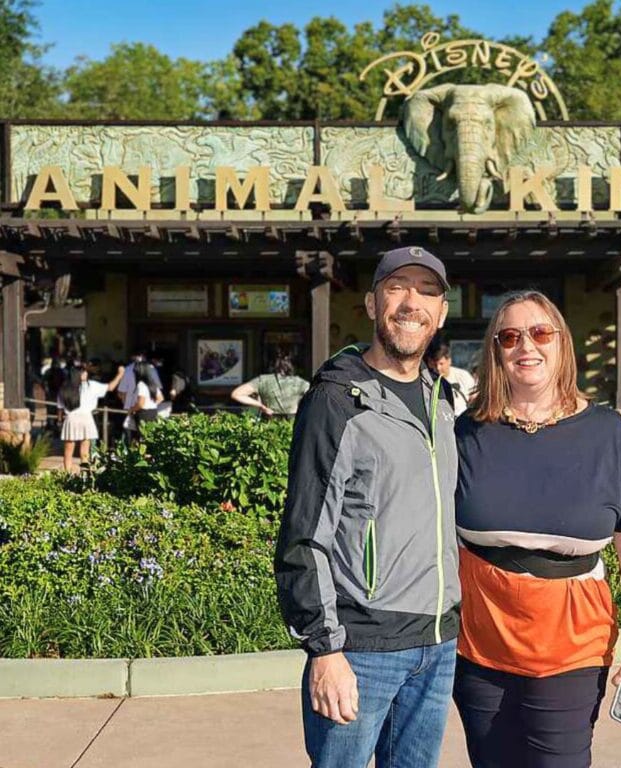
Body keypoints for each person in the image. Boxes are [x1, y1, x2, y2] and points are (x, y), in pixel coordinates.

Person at [453, 291, 621, 768]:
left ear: (562, 343)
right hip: (480, 644)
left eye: (541, 333)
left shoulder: (607, 433)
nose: (527, 346)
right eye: (510, 336)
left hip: (571, 644)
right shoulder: (467, 433)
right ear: (496, 352)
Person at [274, 246, 460, 768]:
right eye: (397, 287)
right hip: (360, 648)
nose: (411, 302)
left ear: (441, 313)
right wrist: (325, 651)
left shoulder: (441, 401)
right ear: (373, 303)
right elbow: (304, 535)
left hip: (437, 645)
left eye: (427, 292)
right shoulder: (336, 401)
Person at [57, 361, 125, 471]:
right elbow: (110, 387)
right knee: (85, 449)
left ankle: (67, 473)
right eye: (83, 372)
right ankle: (85, 471)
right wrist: (120, 374)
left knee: (68, 450)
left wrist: (59, 421)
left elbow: (59, 408)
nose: (86, 374)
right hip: (86, 418)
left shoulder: (65, 389)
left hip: (71, 419)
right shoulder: (91, 386)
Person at [231, 354, 310, 417]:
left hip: (269, 425)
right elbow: (315, 397)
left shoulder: (263, 380)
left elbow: (236, 394)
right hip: (292, 424)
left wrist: (261, 406)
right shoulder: (301, 383)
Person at [427, 339, 477, 417]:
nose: (438, 368)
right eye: (434, 364)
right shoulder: (427, 379)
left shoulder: (463, 376)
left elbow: (474, 396)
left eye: (441, 364)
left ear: (449, 361)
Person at [124, 361, 162, 443]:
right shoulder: (152, 384)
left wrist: (132, 409)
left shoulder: (141, 385)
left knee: (142, 438)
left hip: (143, 414)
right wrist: (152, 404)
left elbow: (141, 403)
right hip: (153, 412)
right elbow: (160, 398)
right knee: (151, 437)